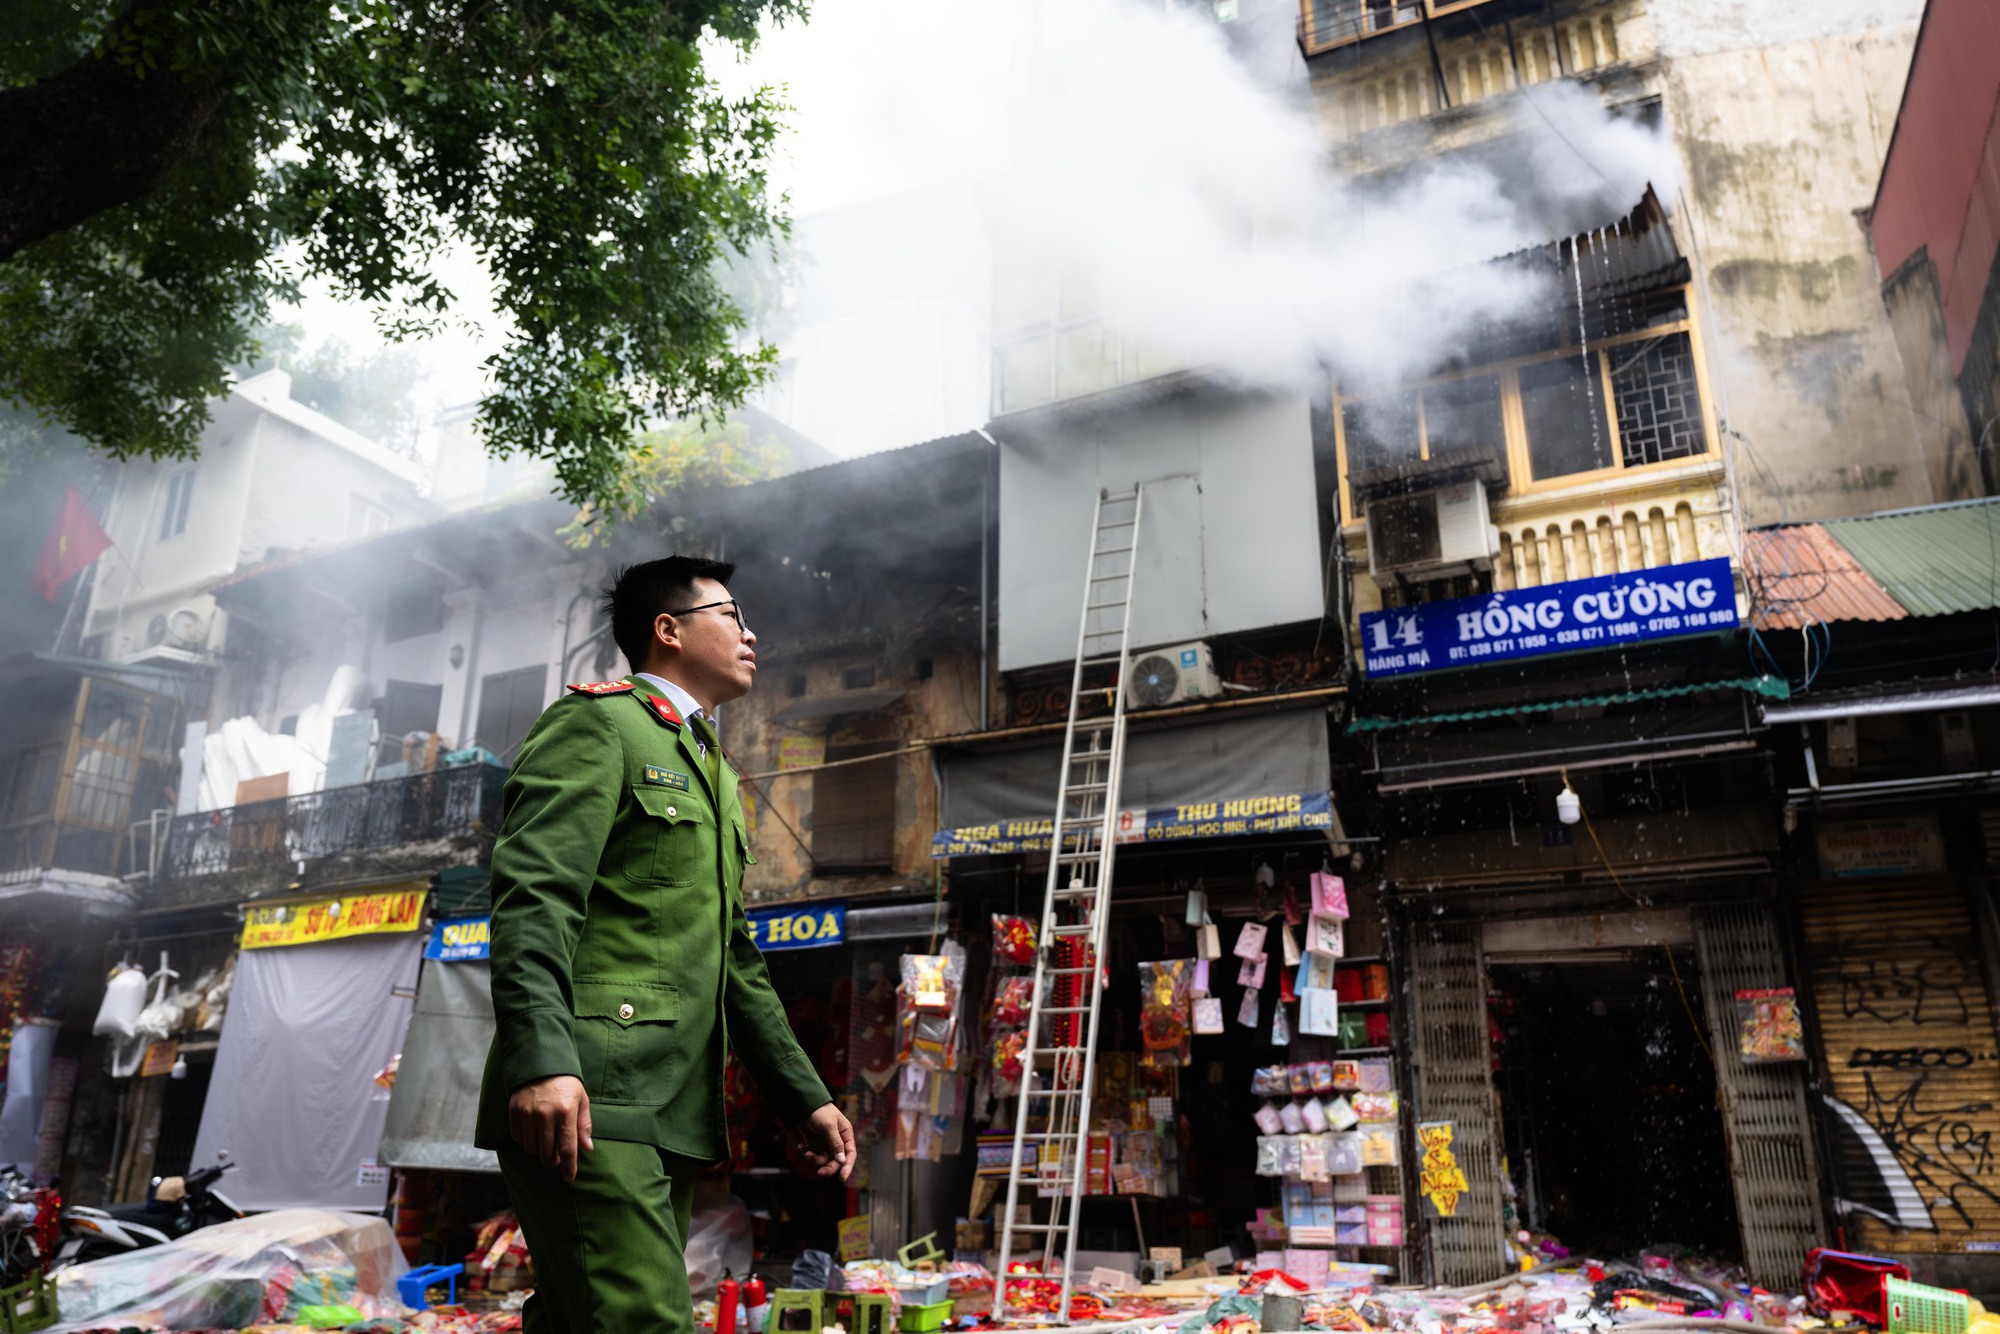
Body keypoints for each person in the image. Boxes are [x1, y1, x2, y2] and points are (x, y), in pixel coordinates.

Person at [475, 555, 857, 1333]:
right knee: (644, 1320)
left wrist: (803, 1094)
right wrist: (543, 1060)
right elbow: (534, 900)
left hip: (667, 1106)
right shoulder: (598, 725)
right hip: (590, 1095)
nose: (752, 636)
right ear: (668, 630)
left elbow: (735, 961)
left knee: (580, 1318)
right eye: (732, 615)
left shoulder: (712, 770)